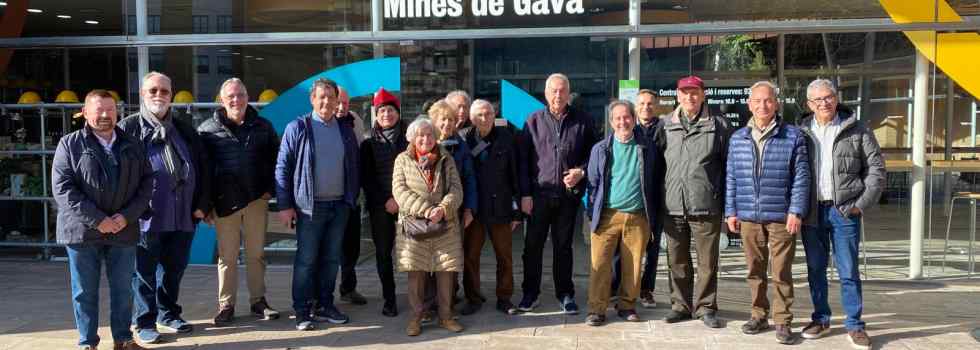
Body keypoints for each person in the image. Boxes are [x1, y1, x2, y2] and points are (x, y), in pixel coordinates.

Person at [52, 89, 153, 350]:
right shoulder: (70, 144)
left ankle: (123, 340)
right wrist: (99, 220)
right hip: (82, 232)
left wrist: (125, 217)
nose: (105, 115)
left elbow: (146, 184)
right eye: (99, 110)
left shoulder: (133, 143)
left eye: (110, 109)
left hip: (123, 229)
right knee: (84, 292)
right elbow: (63, 189)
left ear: (117, 112)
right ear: (85, 112)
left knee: (123, 290)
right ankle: (87, 343)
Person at [117, 72, 209, 343]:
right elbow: (118, 175)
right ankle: (144, 321)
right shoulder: (128, 128)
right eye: (153, 91)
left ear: (171, 95)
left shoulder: (184, 128)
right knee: (144, 272)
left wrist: (202, 204)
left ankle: (167, 313)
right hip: (145, 217)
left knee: (174, 268)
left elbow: (203, 168)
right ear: (143, 95)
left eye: (164, 91)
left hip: (183, 214)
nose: (159, 96)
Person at [798, 78, 885, 350]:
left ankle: (855, 325)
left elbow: (876, 170)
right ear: (809, 104)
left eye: (828, 97)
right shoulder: (800, 132)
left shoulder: (857, 129)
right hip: (812, 212)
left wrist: (860, 204)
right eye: (817, 99)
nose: (823, 103)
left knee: (848, 270)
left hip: (844, 211)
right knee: (815, 269)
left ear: (836, 98)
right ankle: (821, 319)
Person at [724, 81, 810, 344]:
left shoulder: (793, 136)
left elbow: (801, 177)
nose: (763, 105)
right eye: (757, 101)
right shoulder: (738, 137)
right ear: (749, 104)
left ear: (777, 103)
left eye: (768, 100)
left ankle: (782, 321)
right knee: (754, 270)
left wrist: (796, 210)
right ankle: (758, 314)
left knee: (781, 271)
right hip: (748, 216)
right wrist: (731, 211)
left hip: (781, 216)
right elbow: (731, 177)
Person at [276, 78, 360, 330]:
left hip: (339, 206)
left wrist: (351, 197)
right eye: (321, 96)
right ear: (312, 99)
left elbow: (353, 165)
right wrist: (284, 205)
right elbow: (283, 167)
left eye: (331, 97)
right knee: (306, 260)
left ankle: (325, 304)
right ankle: (302, 310)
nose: (326, 101)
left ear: (337, 101)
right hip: (309, 208)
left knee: (332, 259)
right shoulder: (298, 127)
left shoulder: (344, 128)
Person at [197, 78, 281, 326]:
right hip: (224, 203)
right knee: (227, 257)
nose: (236, 100)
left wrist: (270, 190)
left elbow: (277, 161)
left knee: (256, 254)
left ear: (248, 97)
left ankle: (258, 301)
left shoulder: (263, 126)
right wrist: (207, 203)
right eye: (231, 96)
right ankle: (226, 305)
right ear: (222, 100)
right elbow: (204, 171)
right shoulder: (207, 130)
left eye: (241, 95)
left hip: (256, 200)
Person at [517, 73, 599, 314]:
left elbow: (594, 155)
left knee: (564, 247)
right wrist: (524, 194)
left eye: (562, 90)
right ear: (545, 93)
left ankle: (565, 294)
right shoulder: (532, 121)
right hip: (538, 195)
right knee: (532, 247)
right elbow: (524, 161)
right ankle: (530, 294)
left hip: (567, 197)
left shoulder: (583, 121)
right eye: (553, 90)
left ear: (568, 93)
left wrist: (581, 172)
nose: (558, 95)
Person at [654, 75, 731, 328]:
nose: (690, 97)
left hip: (706, 204)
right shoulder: (665, 125)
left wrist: (725, 203)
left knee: (707, 262)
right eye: (685, 93)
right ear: (677, 96)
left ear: (703, 95)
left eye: (695, 92)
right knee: (676, 259)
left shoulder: (718, 125)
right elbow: (657, 165)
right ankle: (680, 305)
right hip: (673, 204)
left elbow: (728, 167)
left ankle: (706, 307)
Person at [584, 100, 663, 326]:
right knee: (599, 264)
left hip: (638, 216)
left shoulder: (647, 148)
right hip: (607, 215)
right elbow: (592, 184)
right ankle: (596, 309)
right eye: (617, 118)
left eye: (626, 117)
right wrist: (593, 213)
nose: (622, 122)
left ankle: (627, 305)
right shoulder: (600, 149)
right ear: (611, 122)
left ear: (634, 118)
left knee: (633, 265)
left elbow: (655, 181)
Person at [393, 118, 466, 336]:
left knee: (446, 271)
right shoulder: (402, 160)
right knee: (416, 272)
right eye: (421, 135)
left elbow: (456, 189)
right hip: (415, 225)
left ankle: (445, 316)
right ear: (412, 138)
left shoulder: (446, 158)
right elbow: (400, 191)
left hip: (445, 224)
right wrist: (427, 210)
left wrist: (443, 209)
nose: (425, 139)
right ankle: (416, 318)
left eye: (430, 134)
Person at [461, 99, 522, 315]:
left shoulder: (507, 138)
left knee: (504, 256)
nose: (485, 118)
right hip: (474, 208)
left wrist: (517, 211)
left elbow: (516, 174)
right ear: (471, 118)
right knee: (470, 256)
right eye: (479, 114)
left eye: (488, 113)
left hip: (501, 206)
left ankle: (504, 298)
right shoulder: (464, 139)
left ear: (494, 115)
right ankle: (473, 298)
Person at [611, 89, 664, 308]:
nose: (646, 107)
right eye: (641, 103)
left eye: (650, 103)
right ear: (635, 108)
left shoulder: (665, 129)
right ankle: (616, 287)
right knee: (619, 247)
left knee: (652, 247)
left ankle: (646, 289)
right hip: (630, 198)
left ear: (656, 106)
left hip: (655, 197)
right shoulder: (627, 128)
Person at [360, 87, 408, 317]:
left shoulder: (410, 135)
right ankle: (390, 298)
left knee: (415, 251)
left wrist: (401, 199)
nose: (386, 115)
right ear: (376, 115)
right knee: (383, 253)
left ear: (397, 112)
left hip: (409, 204)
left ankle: (422, 297)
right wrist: (386, 200)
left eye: (390, 110)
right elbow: (367, 178)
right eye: (381, 111)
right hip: (380, 206)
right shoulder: (368, 141)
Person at [428, 99, 478, 316]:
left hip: (453, 211)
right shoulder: (423, 142)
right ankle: (430, 302)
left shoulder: (461, 146)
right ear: (434, 121)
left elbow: (469, 179)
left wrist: (469, 209)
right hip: (428, 212)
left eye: (450, 119)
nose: (447, 124)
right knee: (429, 257)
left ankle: (448, 299)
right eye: (443, 120)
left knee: (451, 257)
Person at [335, 86, 369, 306]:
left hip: (352, 197)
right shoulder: (319, 124)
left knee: (351, 247)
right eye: (338, 102)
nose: (341, 107)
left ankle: (348, 288)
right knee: (329, 250)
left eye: (345, 103)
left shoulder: (355, 120)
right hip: (329, 199)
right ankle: (322, 295)